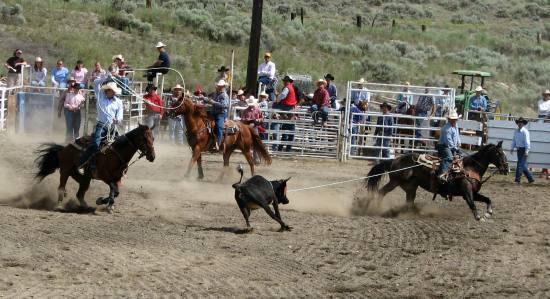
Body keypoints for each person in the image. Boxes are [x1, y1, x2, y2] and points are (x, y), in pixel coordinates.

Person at [78, 76, 124, 172]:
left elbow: (120, 116)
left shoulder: (119, 102)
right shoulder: (100, 96)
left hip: (112, 127)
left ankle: (120, 166)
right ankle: (82, 163)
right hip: (101, 125)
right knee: (95, 144)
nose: (108, 91)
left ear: (113, 92)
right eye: (108, 90)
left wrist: (117, 120)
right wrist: (105, 78)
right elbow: (95, 83)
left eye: (110, 90)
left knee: (122, 144)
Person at [203, 80, 229, 149]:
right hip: (213, 113)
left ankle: (219, 143)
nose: (220, 87)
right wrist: (204, 99)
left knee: (219, 126)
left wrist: (213, 102)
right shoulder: (215, 94)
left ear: (224, 87)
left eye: (221, 86)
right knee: (205, 123)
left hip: (221, 114)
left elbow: (224, 105)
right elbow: (210, 100)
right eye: (219, 86)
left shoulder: (224, 95)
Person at [274, 75, 297, 151]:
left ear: (287, 81)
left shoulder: (287, 88)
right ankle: (287, 149)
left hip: (286, 109)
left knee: (285, 130)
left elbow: (283, 96)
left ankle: (281, 148)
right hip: (290, 110)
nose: (284, 82)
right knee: (290, 130)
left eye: (285, 80)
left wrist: (277, 98)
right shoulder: (291, 88)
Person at [437, 109, 461, 181]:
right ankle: (442, 175)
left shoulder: (455, 126)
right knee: (449, 157)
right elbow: (449, 142)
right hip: (443, 146)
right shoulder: (446, 129)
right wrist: (456, 149)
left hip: (451, 146)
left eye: (455, 119)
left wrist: (459, 143)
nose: (454, 121)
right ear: (449, 119)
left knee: (459, 157)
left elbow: (457, 136)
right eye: (453, 119)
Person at [510, 117, 534, 184]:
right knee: (522, 165)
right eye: (519, 122)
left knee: (520, 165)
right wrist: (512, 148)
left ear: (523, 124)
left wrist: (526, 151)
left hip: (523, 150)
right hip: (519, 150)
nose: (520, 123)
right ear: (517, 123)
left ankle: (517, 180)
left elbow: (527, 142)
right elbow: (514, 140)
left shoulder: (525, 132)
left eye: (521, 122)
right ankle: (530, 178)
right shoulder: (516, 131)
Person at [240, 96, 264, 164]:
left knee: (256, 143)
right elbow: (242, 120)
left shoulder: (258, 110)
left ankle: (256, 158)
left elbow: (262, 118)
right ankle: (250, 158)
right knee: (247, 144)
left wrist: (258, 120)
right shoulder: (245, 111)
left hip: (255, 127)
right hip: (247, 128)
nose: (251, 106)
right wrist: (246, 120)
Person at [537, 90, 550, 179]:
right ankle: (545, 170)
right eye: (545, 94)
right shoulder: (540, 102)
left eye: (548, 94)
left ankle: (545, 170)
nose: (546, 96)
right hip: (541, 119)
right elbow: (542, 110)